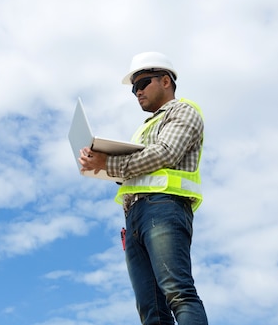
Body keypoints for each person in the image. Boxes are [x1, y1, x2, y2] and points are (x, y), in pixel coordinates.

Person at [78, 52, 208, 325]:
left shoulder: (183, 111)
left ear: (165, 81)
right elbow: (135, 170)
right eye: (134, 88)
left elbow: (166, 153)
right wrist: (98, 163)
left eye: (143, 83)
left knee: (178, 293)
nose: (137, 91)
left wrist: (108, 163)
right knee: (151, 311)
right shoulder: (142, 130)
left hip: (164, 208)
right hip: (135, 215)